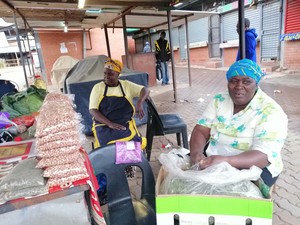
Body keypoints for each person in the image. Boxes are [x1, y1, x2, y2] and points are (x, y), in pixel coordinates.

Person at [189, 59, 288, 188]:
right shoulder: (219, 100)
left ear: (256, 84)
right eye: (233, 81)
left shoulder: (270, 111)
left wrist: (225, 161)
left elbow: (264, 155)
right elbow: (201, 130)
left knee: (232, 195)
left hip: (253, 168)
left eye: (247, 81)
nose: (239, 86)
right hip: (213, 159)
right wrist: (196, 153)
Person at [89, 58, 150, 150]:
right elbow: (92, 110)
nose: (106, 77)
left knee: (132, 145)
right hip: (103, 125)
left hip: (124, 124)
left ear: (118, 74)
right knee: (107, 149)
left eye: (110, 74)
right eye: (105, 73)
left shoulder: (126, 85)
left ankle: (129, 163)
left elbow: (145, 90)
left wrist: (139, 102)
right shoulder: (98, 88)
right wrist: (110, 124)